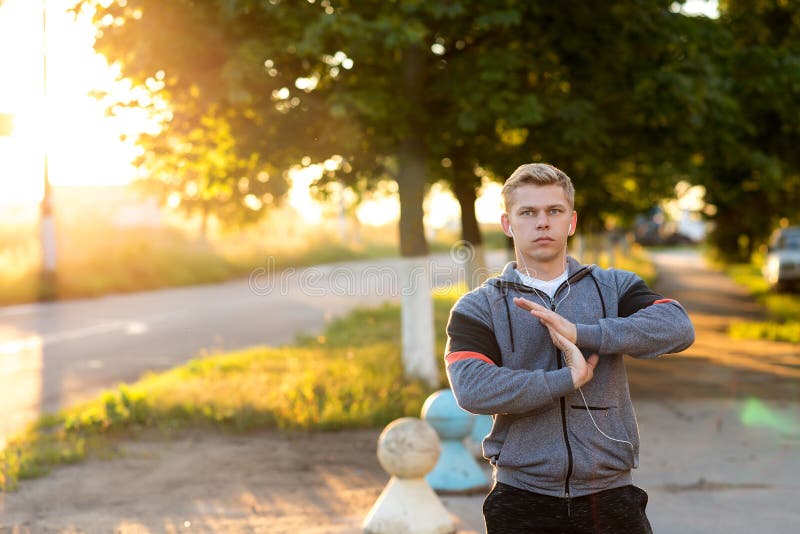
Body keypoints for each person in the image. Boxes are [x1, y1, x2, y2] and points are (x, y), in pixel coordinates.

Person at [444, 163, 695, 533]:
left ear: (571, 221)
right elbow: (472, 388)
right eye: (528, 212)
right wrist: (566, 379)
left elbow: (677, 327)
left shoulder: (613, 287)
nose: (542, 222)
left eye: (554, 211)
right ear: (507, 224)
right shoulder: (479, 306)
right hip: (521, 498)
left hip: (610, 496)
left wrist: (581, 333)